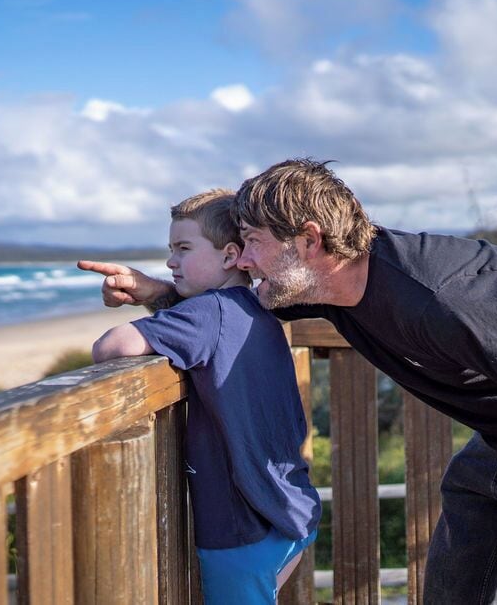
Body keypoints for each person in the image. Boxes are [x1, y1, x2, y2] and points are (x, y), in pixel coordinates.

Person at [81, 159, 497, 604]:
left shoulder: (442, 294)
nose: (244, 260)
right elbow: (227, 312)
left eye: (254, 244)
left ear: (309, 240)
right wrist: (159, 293)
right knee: (450, 588)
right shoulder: (321, 283)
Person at [82, 189, 321, 604]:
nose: (172, 261)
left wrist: (161, 306)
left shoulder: (208, 312)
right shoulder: (253, 305)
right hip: (290, 511)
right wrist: (159, 297)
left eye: (184, 248)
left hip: (240, 529)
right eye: (170, 249)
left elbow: (110, 347)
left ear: (230, 256)